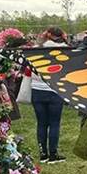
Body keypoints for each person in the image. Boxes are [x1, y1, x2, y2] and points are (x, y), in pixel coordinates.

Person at [31, 27, 68, 163]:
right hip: (54, 89)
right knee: (54, 123)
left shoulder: (36, 48)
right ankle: (53, 154)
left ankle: (43, 154)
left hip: (37, 88)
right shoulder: (64, 49)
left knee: (41, 123)